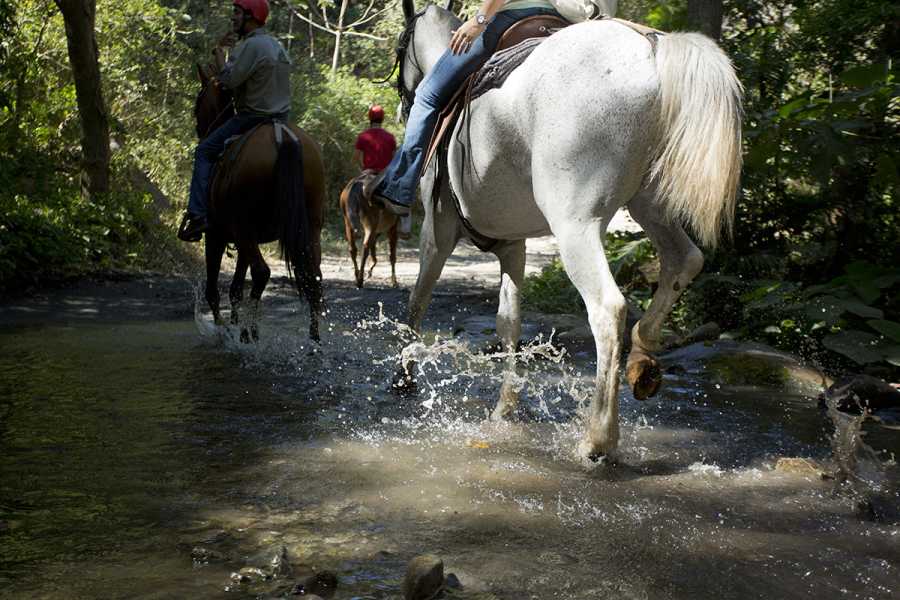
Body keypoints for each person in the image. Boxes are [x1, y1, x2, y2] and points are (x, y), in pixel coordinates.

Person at [373, 0, 563, 216]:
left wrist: (479, 20)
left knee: (427, 94)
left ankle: (399, 187)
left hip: (515, 16)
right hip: (560, 22)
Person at [178, 0, 291, 242]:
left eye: (237, 13)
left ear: (250, 16)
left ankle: (197, 215)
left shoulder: (250, 45)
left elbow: (228, 81)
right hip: (283, 120)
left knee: (204, 151)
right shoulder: (277, 46)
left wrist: (218, 53)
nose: (233, 18)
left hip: (252, 118)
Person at [353, 105, 411, 238]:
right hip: (385, 176)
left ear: (369, 118)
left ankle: (354, 222)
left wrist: (362, 169)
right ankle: (404, 228)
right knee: (404, 196)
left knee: (350, 192)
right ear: (382, 119)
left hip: (367, 173)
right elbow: (394, 159)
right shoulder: (390, 137)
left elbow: (356, 158)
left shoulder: (363, 136)